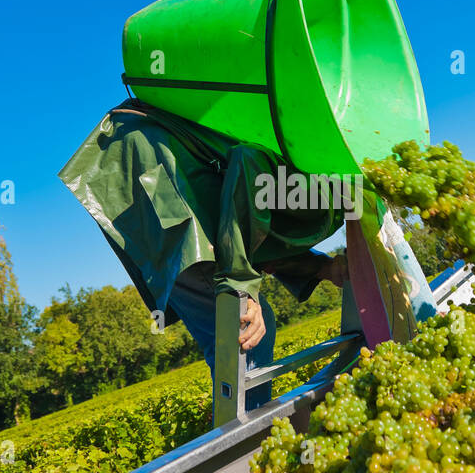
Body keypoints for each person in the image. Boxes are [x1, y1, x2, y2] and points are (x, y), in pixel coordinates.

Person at [59, 96, 348, 410]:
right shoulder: (315, 181)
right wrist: (240, 283)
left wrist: (322, 268)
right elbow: (247, 163)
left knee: (237, 332)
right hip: (151, 162)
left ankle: (242, 435)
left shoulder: (314, 182)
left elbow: (256, 232)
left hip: (141, 155)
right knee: (245, 328)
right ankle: (247, 446)